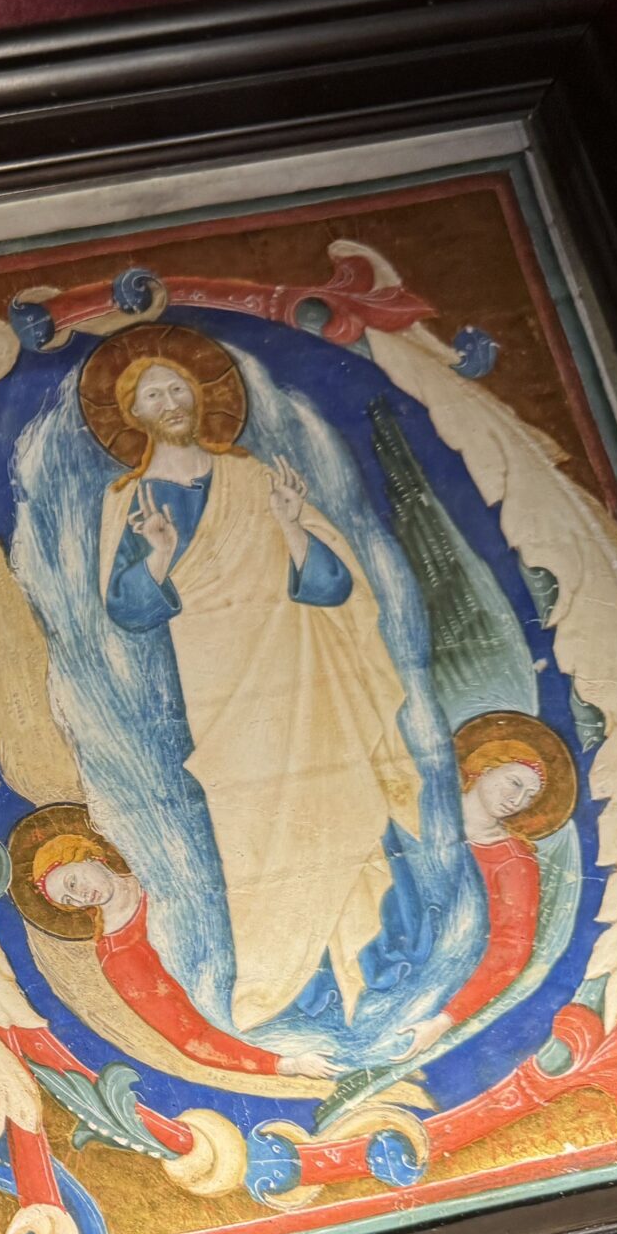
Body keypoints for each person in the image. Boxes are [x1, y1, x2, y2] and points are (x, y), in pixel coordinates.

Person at [91, 328, 421, 1032]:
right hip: (217, 682)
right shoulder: (129, 501)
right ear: (132, 413)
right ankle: (295, 988)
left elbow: (332, 587)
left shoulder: (253, 477)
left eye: (178, 388)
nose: (170, 401)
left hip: (297, 666)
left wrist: (293, 527)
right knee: (253, 829)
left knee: (332, 796)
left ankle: (375, 967)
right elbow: (127, 610)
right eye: (153, 394)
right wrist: (158, 555)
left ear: (199, 396)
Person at [30, 832, 340, 1082]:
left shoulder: (160, 869)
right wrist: (285, 1064)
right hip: (271, 1015)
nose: (81, 896)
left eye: (73, 882)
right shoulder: (119, 956)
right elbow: (191, 1037)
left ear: (87, 854)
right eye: (69, 900)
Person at [396, 729, 557, 1058]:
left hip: (433, 983)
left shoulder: (513, 862)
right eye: (514, 783)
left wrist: (443, 1020)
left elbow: (510, 950)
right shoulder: (415, 817)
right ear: (484, 767)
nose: (517, 800)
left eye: (529, 796)